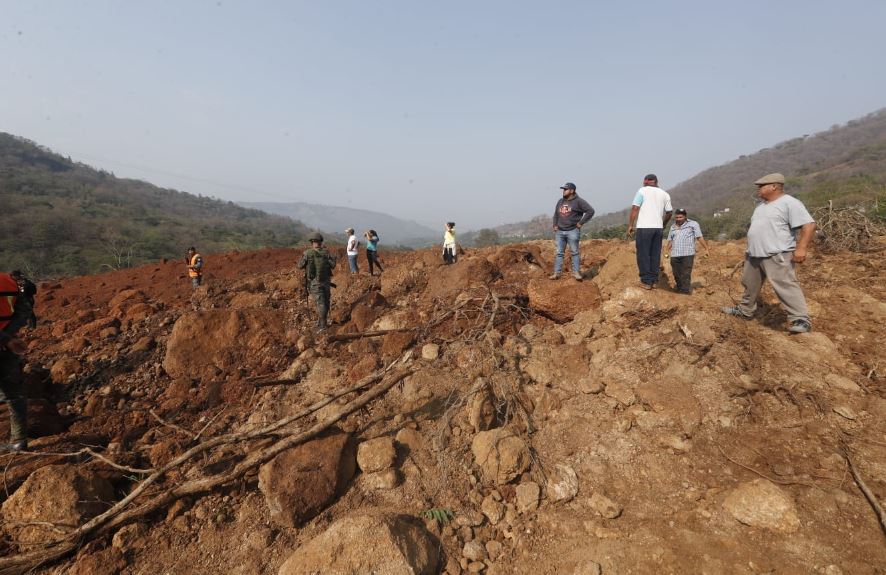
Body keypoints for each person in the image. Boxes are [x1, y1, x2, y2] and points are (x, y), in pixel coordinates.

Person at [722, 173, 816, 333]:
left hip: (777, 253)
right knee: (749, 285)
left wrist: (801, 248)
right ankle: (745, 311)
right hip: (754, 254)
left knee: (785, 284)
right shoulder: (761, 206)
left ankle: (800, 319)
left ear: (774, 186)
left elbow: (809, 225)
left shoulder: (790, 203)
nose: (758, 189)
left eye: (761, 186)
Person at [1, 271, 32, 452]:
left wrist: (5, 339)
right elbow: (25, 310)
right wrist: (9, 336)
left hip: (6, 343)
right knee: (14, 394)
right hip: (8, 347)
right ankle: (19, 440)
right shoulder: (8, 280)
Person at [627, 174, 673, 289]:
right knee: (655, 254)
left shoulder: (642, 191)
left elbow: (635, 208)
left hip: (644, 227)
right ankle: (654, 280)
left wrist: (630, 225)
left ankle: (646, 281)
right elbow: (669, 212)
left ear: (645, 182)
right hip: (658, 229)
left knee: (643, 254)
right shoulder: (665, 194)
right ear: (656, 182)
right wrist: (664, 224)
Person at [550, 182, 595, 281]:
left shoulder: (579, 201)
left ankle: (577, 273)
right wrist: (555, 225)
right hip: (560, 232)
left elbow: (590, 211)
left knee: (574, 252)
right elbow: (556, 214)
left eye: (566, 189)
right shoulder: (560, 201)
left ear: (572, 191)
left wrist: (581, 222)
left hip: (572, 231)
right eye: (563, 189)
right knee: (559, 253)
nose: (563, 191)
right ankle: (556, 273)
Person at [297, 232, 337, 332]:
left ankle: (323, 326)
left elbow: (300, 265)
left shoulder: (307, 253)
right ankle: (322, 321)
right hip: (326, 282)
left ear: (312, 242)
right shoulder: (326, 253)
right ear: (321, 242)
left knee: (320, 303)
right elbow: (333, 265)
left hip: (315, 283)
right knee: (326, 301)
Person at [665, 209, 710, 294]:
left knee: (686, 273)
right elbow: (671, 240)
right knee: (676, 273)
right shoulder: (673, 227)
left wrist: (706, 248)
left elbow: (699, 237)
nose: (678, 219)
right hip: (675, 254)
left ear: (685, 216)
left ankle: (685, 291)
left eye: (681, 217)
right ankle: (679, 288)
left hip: (688, 254)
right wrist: (666, 250)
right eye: (677, 217)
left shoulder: (693, 224)